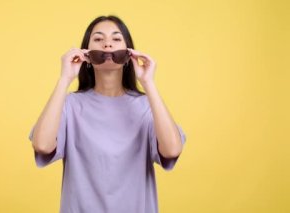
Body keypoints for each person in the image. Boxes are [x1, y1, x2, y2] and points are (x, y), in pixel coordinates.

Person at [28, 15, 187, 213]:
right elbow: (42, 145)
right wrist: (64, 78)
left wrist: (149, 83)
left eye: (116, 38)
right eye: (98, 39)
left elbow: (172, 150)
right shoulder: (70, 105)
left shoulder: (146, 106)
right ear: (86, 54)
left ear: (129, 53)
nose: (107, 44)